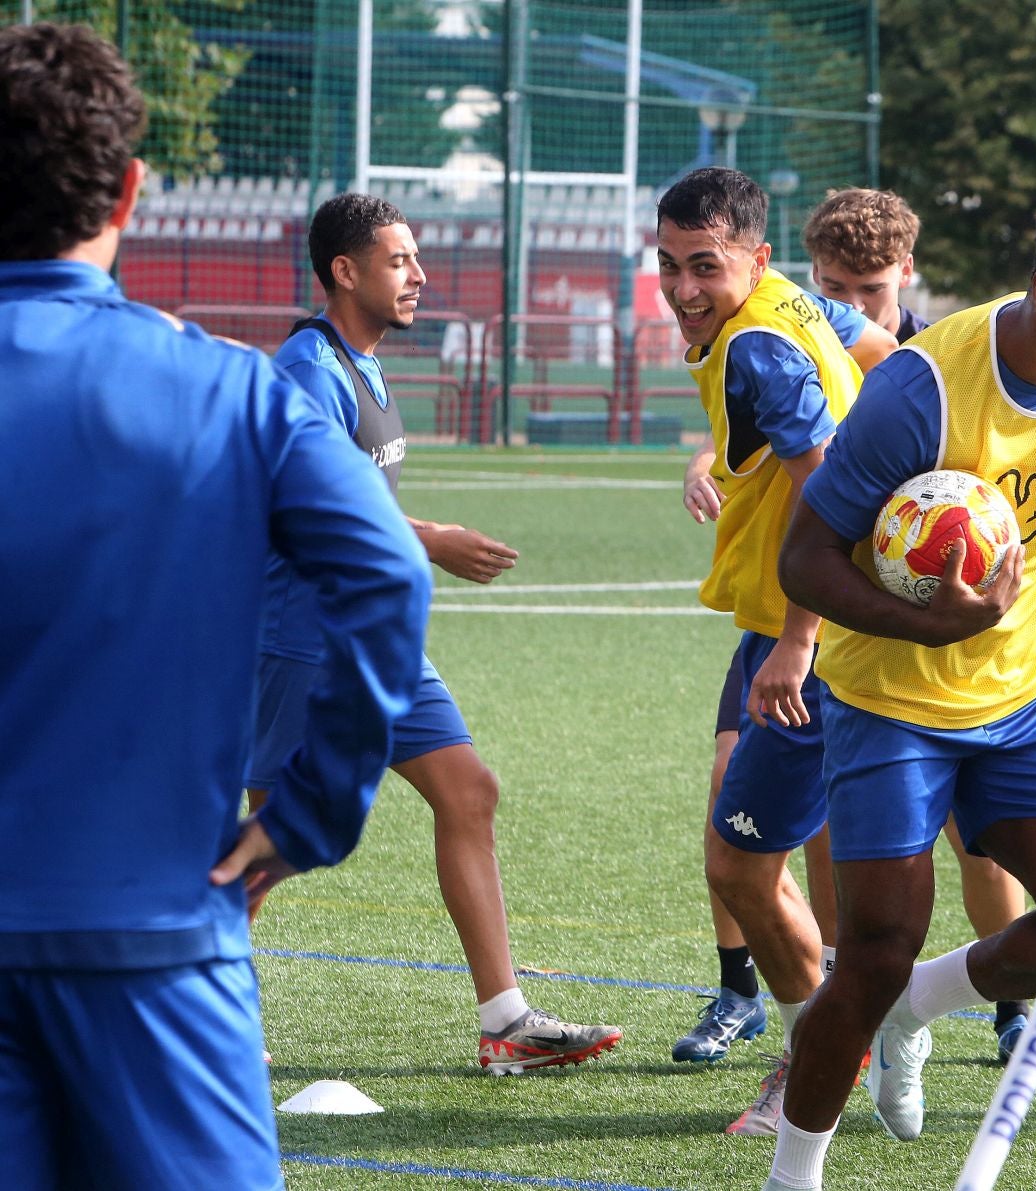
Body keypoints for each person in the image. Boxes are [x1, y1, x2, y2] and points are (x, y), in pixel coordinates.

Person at [0, 23, 431, 1188]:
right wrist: (312, 812)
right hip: (157, 935)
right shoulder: (231, 391)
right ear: (133, 188)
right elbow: (390, 577)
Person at [765, 181, 1036, 1191]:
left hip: (1025, 700)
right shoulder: (923, 389)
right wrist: (930, 623)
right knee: (873, 952)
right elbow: (806, 558)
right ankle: (792, 1176)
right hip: (891, 705)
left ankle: (924, 1007)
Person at [248, 191, 622, 1075]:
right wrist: (433, 540)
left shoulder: (364, 364)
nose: (419, 275)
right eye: (399, 259)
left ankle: (506, 1023)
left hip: (374, 635)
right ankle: (191, 1021)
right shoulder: (309, 365)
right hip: (302, 637)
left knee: (469, 791)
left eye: (416, 259)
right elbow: (304, 505)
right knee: (270, 843)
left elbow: (358, 497)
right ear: (345, 271)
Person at [802, 186, 1036, 1073]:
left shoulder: (929, 364)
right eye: (830, 285)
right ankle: (809, 993)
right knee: (816, 829)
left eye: (867, 288)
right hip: (838, 628)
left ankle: (1009, 1010)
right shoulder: (806, 336)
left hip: (962, 649)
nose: (847, 305)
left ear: (907, 275)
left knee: (976, 840)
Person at [660, 166, 895, 1134]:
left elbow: (827, 477)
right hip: (818, 621)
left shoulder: (755, 344)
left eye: (703, 267)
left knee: (741, 865)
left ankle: (821, 1065)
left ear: (752, 258)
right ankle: (835, 1048)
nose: (682, 289)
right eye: (668, 265)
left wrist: (797, 639)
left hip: (812, 632)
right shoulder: (792, 303)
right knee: (754, 849)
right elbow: (890, 356)